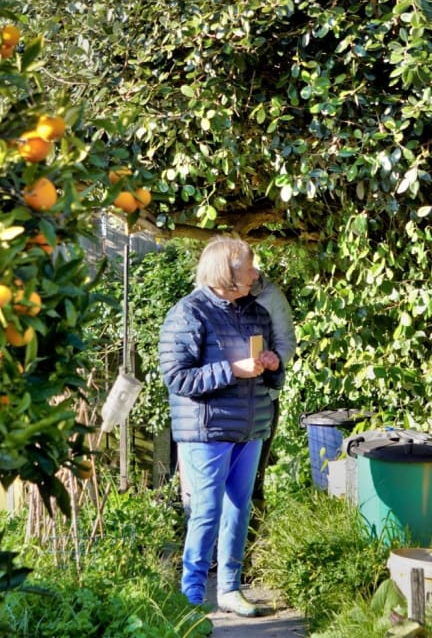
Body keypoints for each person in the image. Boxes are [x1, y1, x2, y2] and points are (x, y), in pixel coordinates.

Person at [159, 236, 284, 617]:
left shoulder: (257, 313)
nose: (255, 271)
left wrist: (273, 365)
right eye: (248, 264)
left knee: (238, 510)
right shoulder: (188, 314)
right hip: (207, 430)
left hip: (250, 428)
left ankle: (230, 589)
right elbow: (177, 377)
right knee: (207, 511)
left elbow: (271, 378)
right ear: (226, 272)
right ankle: (192, 596)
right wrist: (232, 371)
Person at [249, 268, 296, 521]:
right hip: (219, 406)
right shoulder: (206, 296)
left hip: (263, 398)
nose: (253, 273)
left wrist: (273, 362)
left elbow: (286, 342)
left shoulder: (270, 295)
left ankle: (249, 549)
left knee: (255, 477)